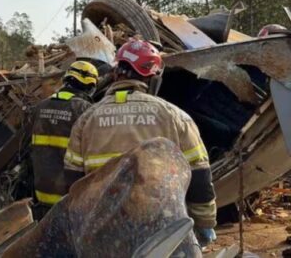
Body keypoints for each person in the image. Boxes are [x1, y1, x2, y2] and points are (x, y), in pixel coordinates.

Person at [64, 38, 217, 246]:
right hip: (161, 230)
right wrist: (205, 223)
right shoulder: (175, 116)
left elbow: (73, 184)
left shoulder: (86, 120)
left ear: (116, 73)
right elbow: (199, 175)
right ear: (153, 77)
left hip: (103, 231)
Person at [29, 60, 98, 219]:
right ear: (89, 86)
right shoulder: (85, 110)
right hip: (68, 197)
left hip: (40, 193)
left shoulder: (40, 107)